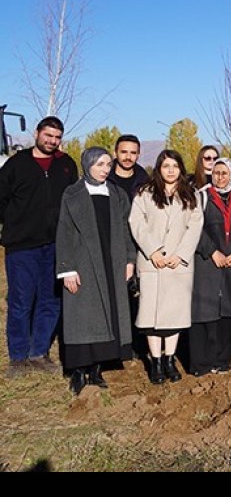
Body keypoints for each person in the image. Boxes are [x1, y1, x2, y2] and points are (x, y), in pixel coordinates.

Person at [0, 116, 78, 377]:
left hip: (56, 244)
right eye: (48, 135)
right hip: (22, 246)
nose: (52, 141)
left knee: (50, 300)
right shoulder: (16, 165)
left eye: (57, 137)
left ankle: (39, 352)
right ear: (36, 133)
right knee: (21, 301)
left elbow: (73, 200)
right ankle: (18, 357)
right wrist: (13, 225)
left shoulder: (66, 165)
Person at [56, 147, 135, 394]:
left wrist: (129, 259)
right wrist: (67, 269)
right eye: (99, 164)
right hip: (83, 263)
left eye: (108, 165)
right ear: (87, 164)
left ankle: (97, 369)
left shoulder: (117, 193)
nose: (105, 170)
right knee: (83, 315)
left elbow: (126, 228)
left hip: (112, 261)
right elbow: (64, 231)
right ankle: (79, 371)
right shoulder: (73, 193)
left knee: (109, 311)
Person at [130, 150, 203, 384]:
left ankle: (170, 360)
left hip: (177, 265)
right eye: (165, 166)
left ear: (181, 168)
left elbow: (195, 226)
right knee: (151, 316)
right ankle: (156, 362)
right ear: (158, 169)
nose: (171, 170)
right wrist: (152, 251)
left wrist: (180, 254)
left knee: (174, 315)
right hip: (152, 262)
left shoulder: (191, 195)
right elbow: (136, 222)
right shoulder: (145, 193)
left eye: (175, 166)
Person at [190, 158, 231, 375]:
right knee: (204, 311)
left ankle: (222, 360)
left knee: (227, 313)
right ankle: (201, 364)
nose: (220, 177)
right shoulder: (201, 196)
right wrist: (211, 251)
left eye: (224, 173)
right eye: (216, 173)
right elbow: (193, 228)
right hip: (207, 261)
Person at [109, 134, 149, 200]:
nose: (128, 157)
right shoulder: (104, 179)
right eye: (124, 152)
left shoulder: (145, 183)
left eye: (133, 153)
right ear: (115, 153)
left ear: (138, 155)